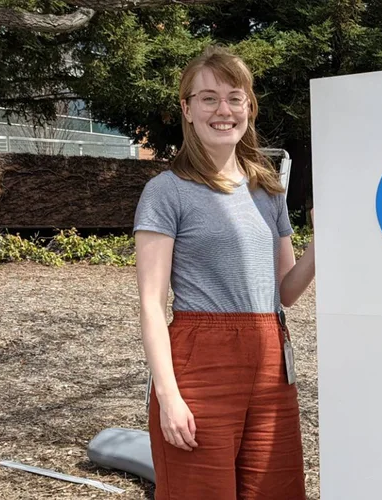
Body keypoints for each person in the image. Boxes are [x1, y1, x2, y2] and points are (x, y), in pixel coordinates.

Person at [132, 45, 315, 499]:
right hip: (200, 360)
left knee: (277, 488)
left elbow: (285, 291)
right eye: (208, 97)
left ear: (249, 108)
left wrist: (325, 242)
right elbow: (152, 305)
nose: (223, 109)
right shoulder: (166, 192)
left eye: (235, 97)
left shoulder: (267, 190)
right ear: (187, 109)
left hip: (272, 359)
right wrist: (168, 398)